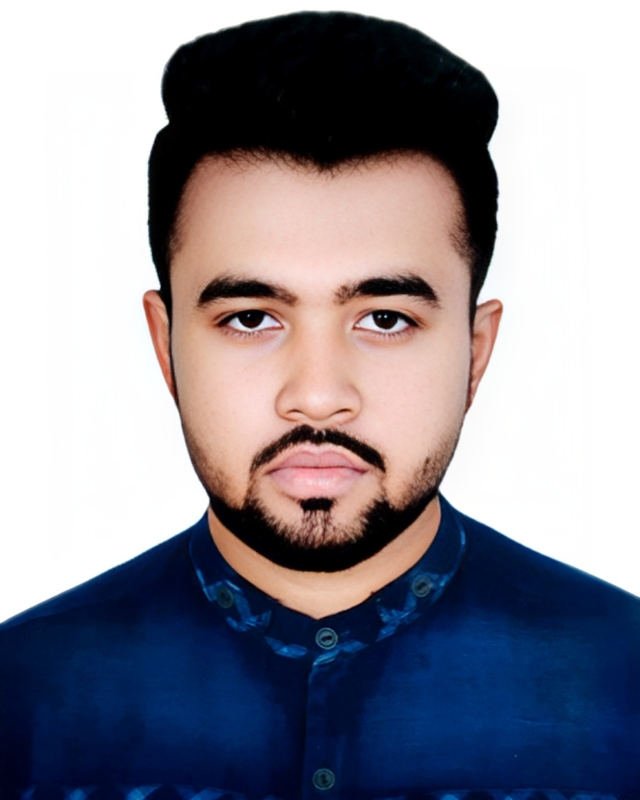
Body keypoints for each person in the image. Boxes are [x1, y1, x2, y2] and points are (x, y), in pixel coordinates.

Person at [1, 10, 638, 799]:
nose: (317, 395)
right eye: (251, 319)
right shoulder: (18, 699)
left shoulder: (625, 685)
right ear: (166, 347)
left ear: (475, 353)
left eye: (385, 320)